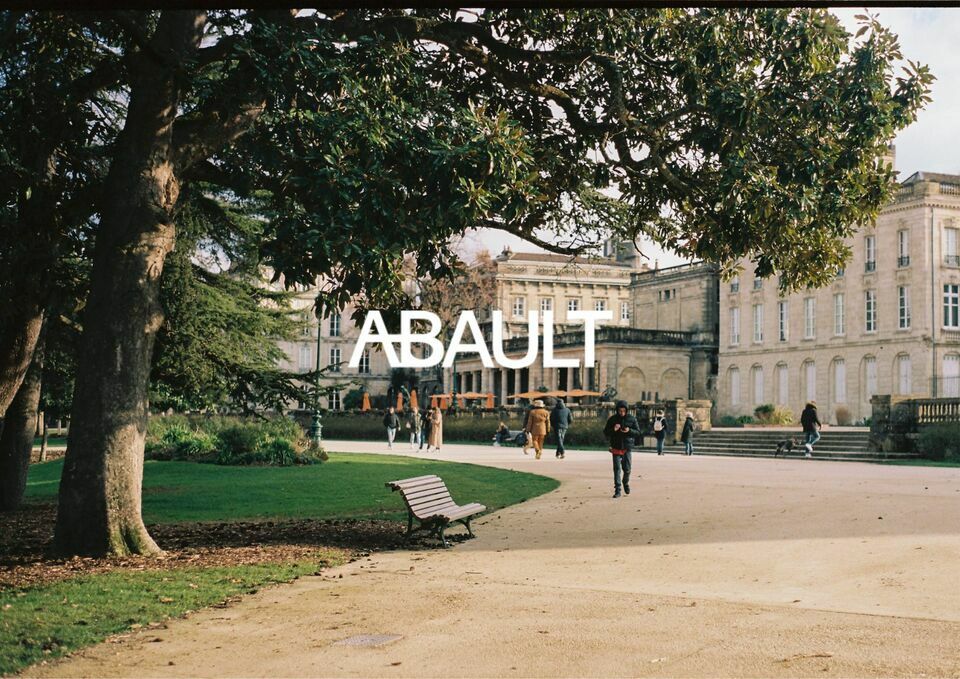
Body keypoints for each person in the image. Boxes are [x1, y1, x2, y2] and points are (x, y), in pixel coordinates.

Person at [603, 400, 639, 498]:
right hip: (616, 446)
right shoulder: (612, 419)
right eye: (620, 411)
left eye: (624, 411)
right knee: (617, 469)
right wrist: (613, 429)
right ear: (617, 410)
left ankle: (625, 482)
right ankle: (617, 490)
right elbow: (606, 432)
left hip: (627, 447)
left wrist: (629, 430)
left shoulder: (632, 419)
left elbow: (638, 432)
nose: (622, 413)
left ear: (627, 410)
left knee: (627, 469)